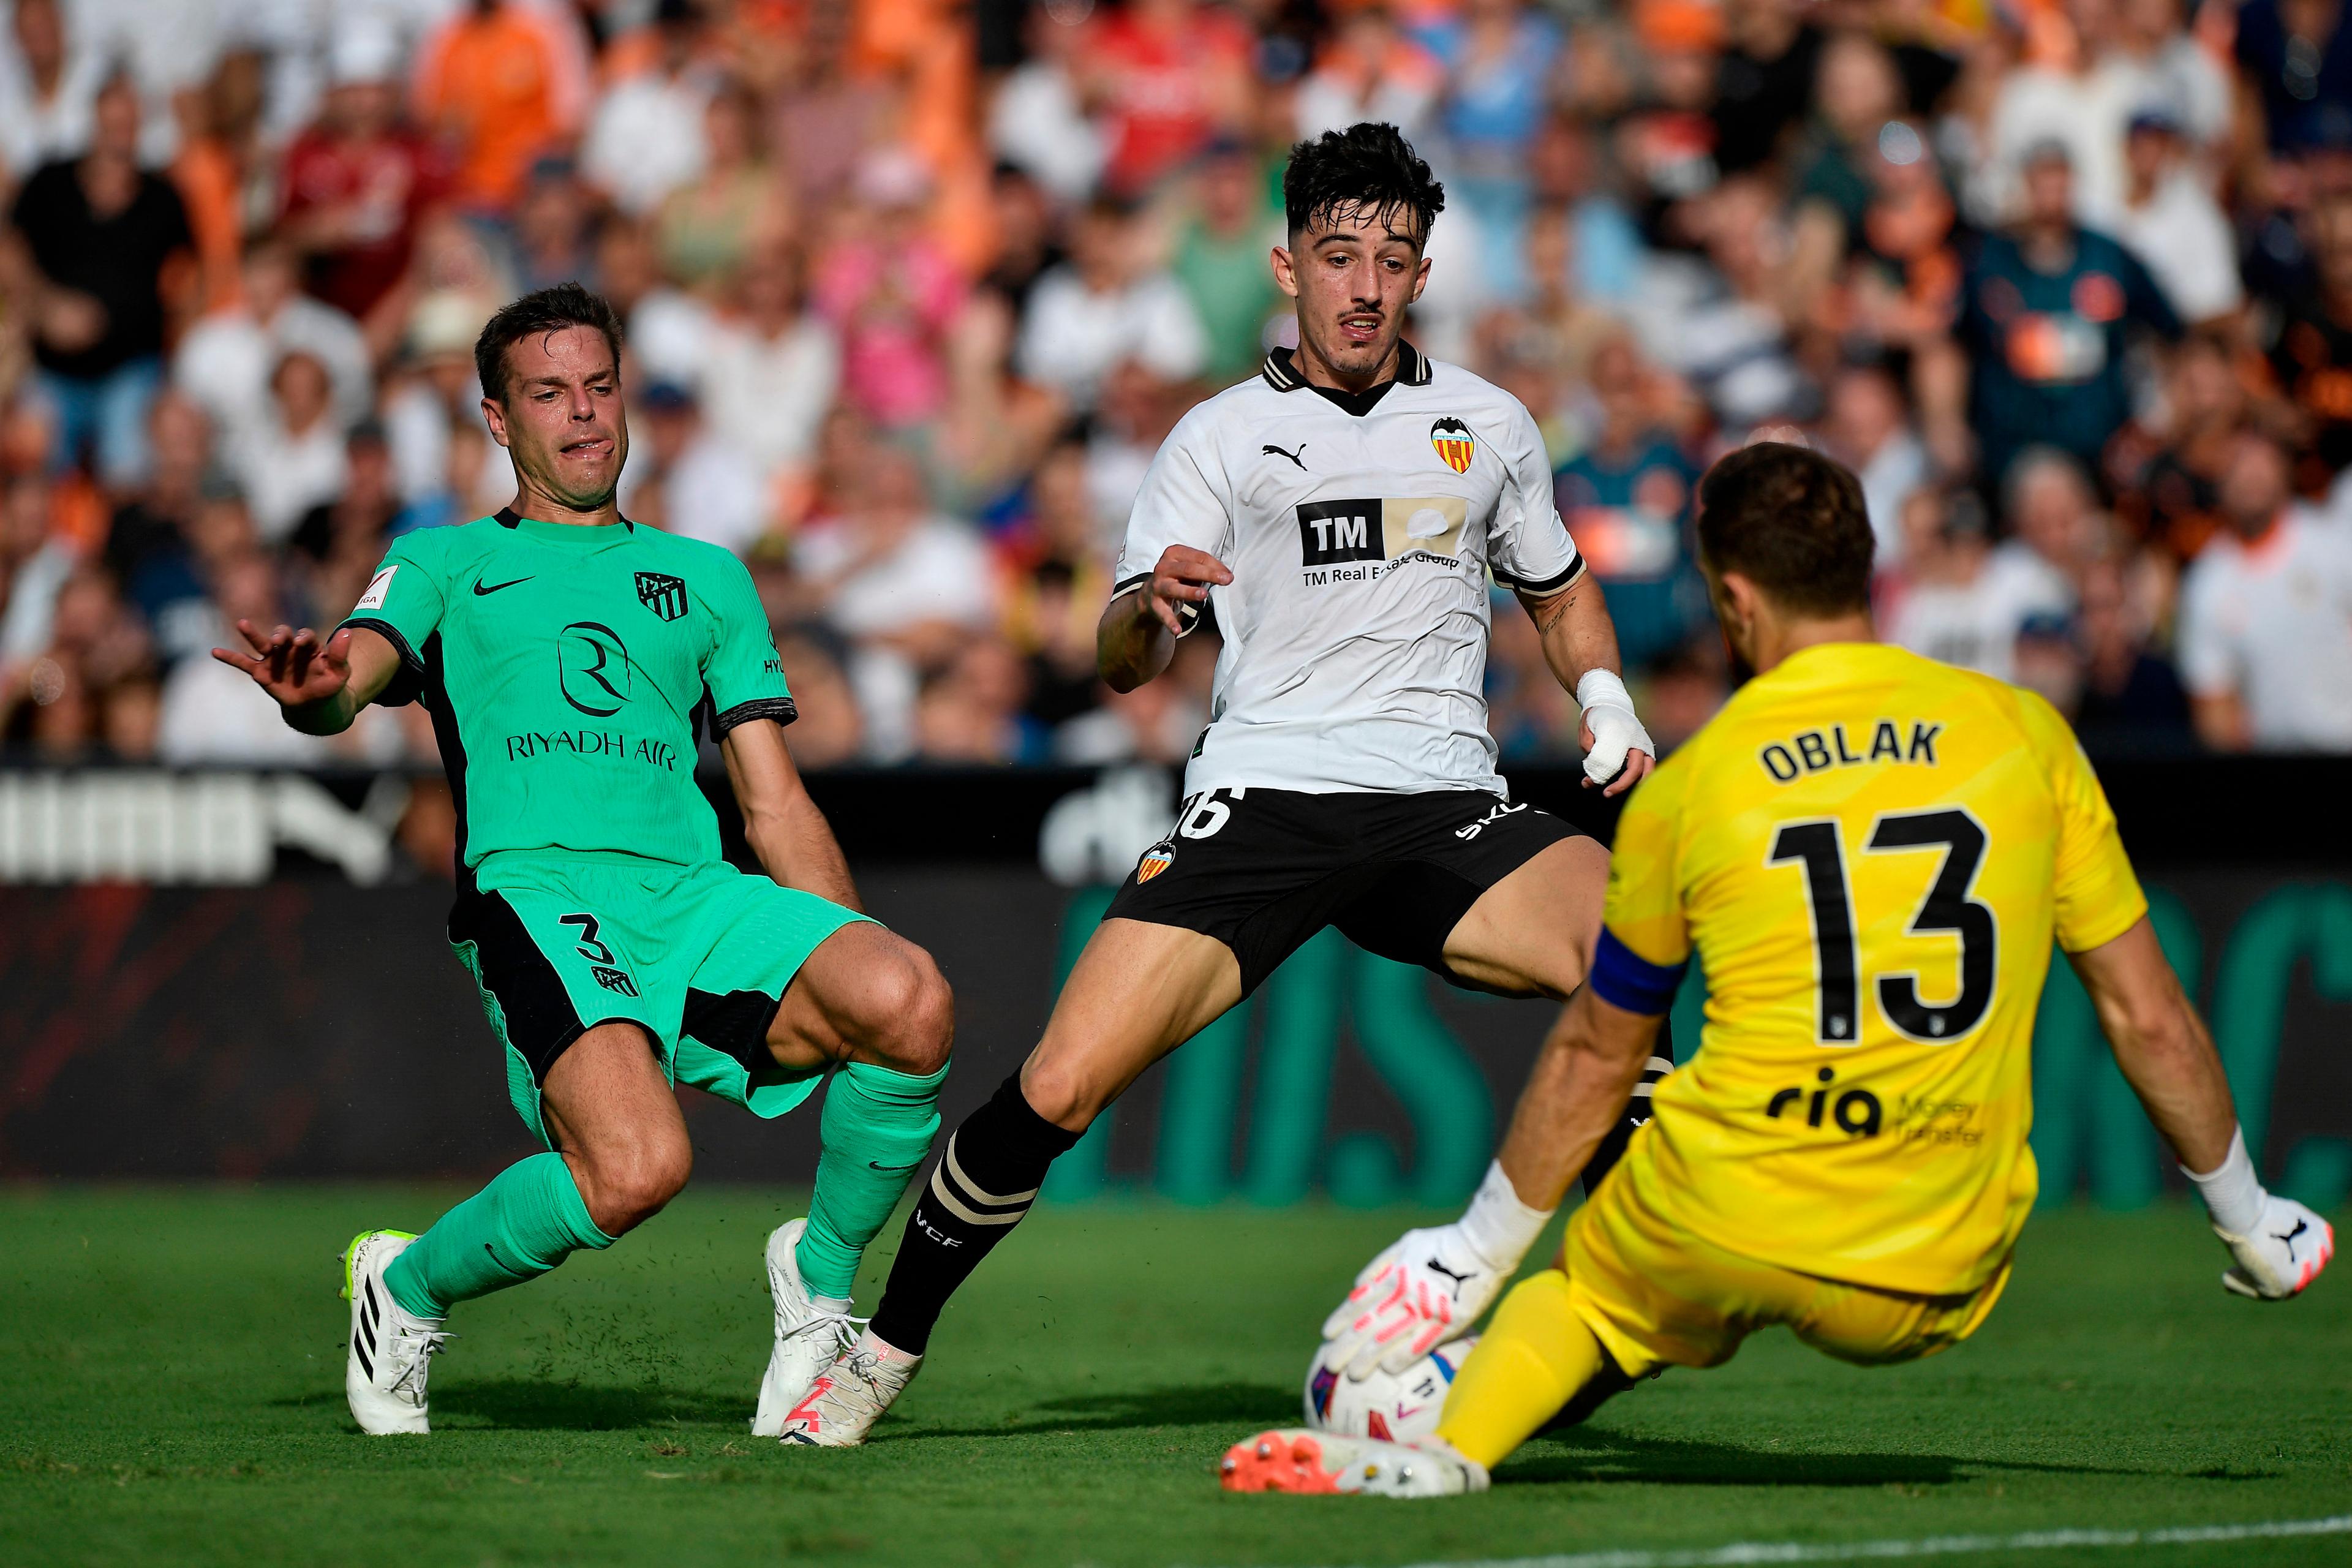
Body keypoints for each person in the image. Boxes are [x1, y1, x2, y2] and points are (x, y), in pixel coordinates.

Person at [773, 123, 1662, 1448]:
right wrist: (1154, 608)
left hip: (1442, 801)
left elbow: (1562, 586)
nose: (1366, 284)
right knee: (1059, 1087)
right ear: (1285, 264)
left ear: (1421, 278)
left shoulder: (1489, 423)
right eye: (1339, 253)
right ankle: (873, 1358)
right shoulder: (1222, 437)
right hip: (1272, 794)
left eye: (1394, 259)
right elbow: (1122, 657)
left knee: (1633, 954)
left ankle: (1511, 1297)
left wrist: (1601, 695)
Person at [1224, 441, 2332, 1498]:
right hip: (1943, 1255)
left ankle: (1450, 1446)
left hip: (1724, 1219)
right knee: (1664, 1276)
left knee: (1597, 1301)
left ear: (1738, 600)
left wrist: (1470, 1252)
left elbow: (1599, 1055)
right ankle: (1452, 1423)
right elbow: (2149, 1021)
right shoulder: (2026, 736)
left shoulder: (1695, 786)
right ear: (1865, 573)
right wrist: (2251, 1220)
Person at [208, 284, 957, 1438]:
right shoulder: (442, 560)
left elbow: (773, 799)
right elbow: (352, 671)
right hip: (541, 895)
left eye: (600, 387)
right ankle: (402, 1292)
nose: (585, 414)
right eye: (549, 394)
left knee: (908, 998)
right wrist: (317, 699)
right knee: (639, 1170)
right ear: (498, 422)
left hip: (696, 898)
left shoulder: (708, 574)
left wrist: (847, 953)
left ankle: (817, 1287)